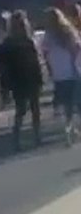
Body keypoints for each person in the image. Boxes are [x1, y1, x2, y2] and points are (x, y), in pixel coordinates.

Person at [0, 10, 44, 150]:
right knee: (22, 109)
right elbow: (3, 65)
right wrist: (5, 85)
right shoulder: (9, 43)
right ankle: (17, 138)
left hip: (30, 76)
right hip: (18, 78)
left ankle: (36, 136)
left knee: (35, 108)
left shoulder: (29, 40)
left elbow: (36, 60)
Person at [40, 8, 81, 145]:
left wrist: (50, 69)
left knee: (67, 106)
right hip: (73, 71)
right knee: (77, 103)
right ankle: (73, 130)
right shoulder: (69, 32)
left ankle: (68, 131)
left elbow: (44, 54)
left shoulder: (48, 36)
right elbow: (77, 49)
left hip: (59, 75)